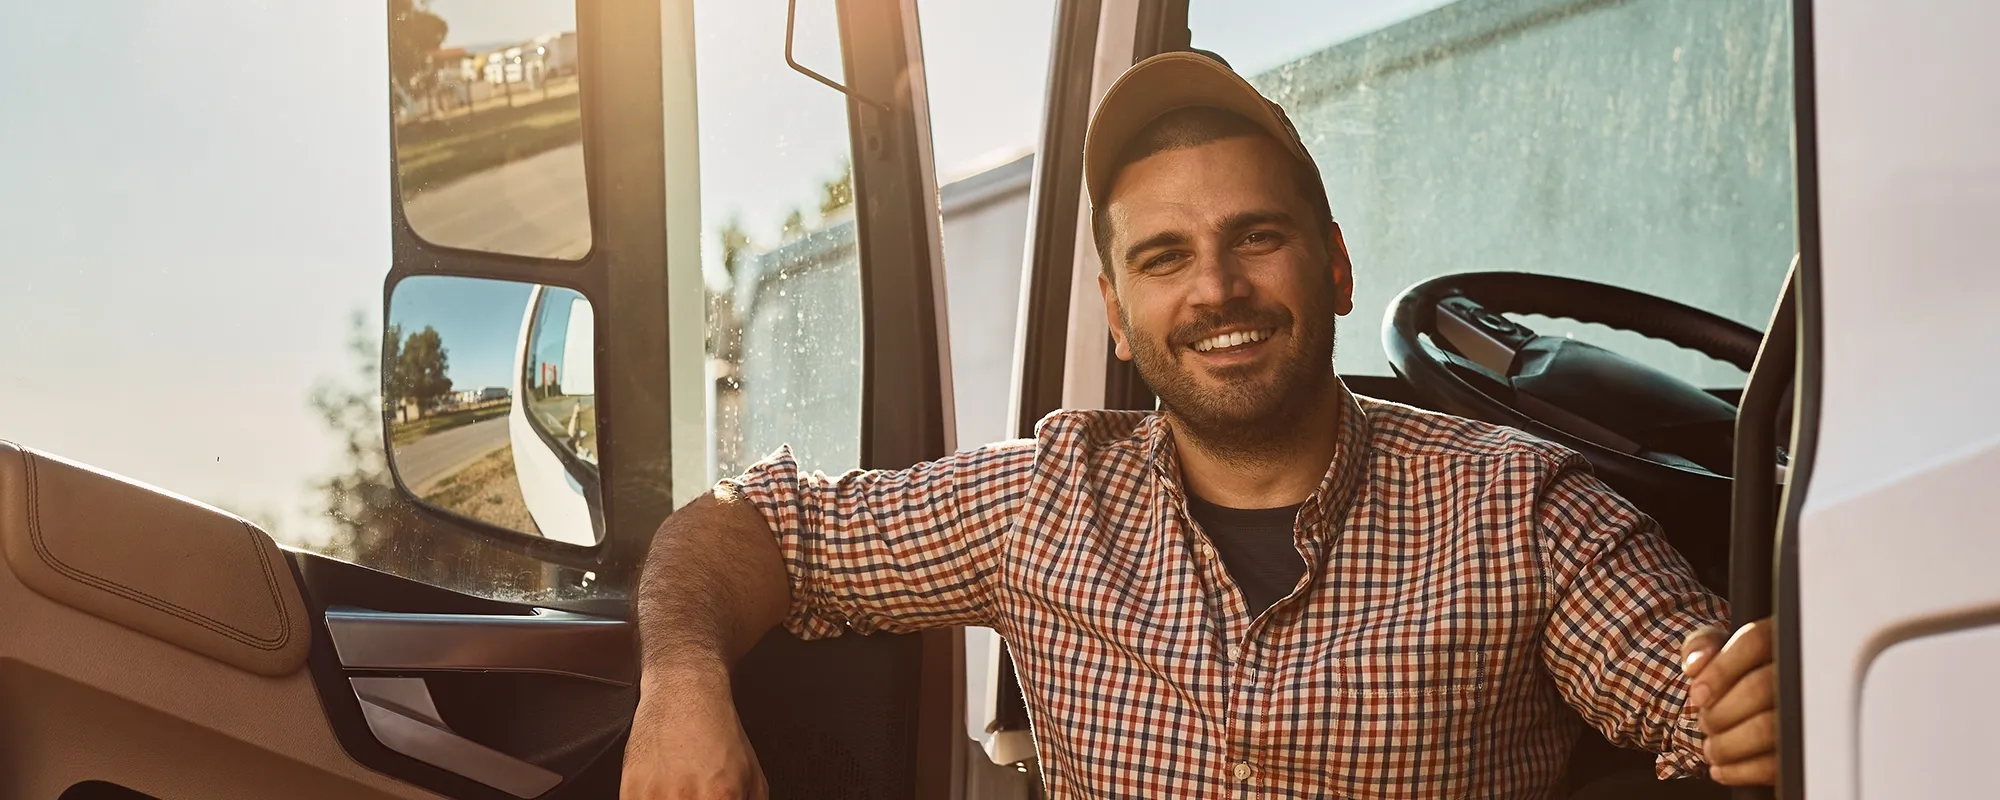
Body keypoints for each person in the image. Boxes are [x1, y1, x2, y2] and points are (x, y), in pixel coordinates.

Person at [620, 51, 1778, 799]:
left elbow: (1688, 687)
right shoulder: (1042, 497)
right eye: (1164, 257)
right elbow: (753, 526)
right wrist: (678, 679)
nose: (1215, 288)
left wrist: (1746, 706)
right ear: (1118, 315)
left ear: (1331, 264)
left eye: (1254, 236)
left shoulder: (1515, 505)